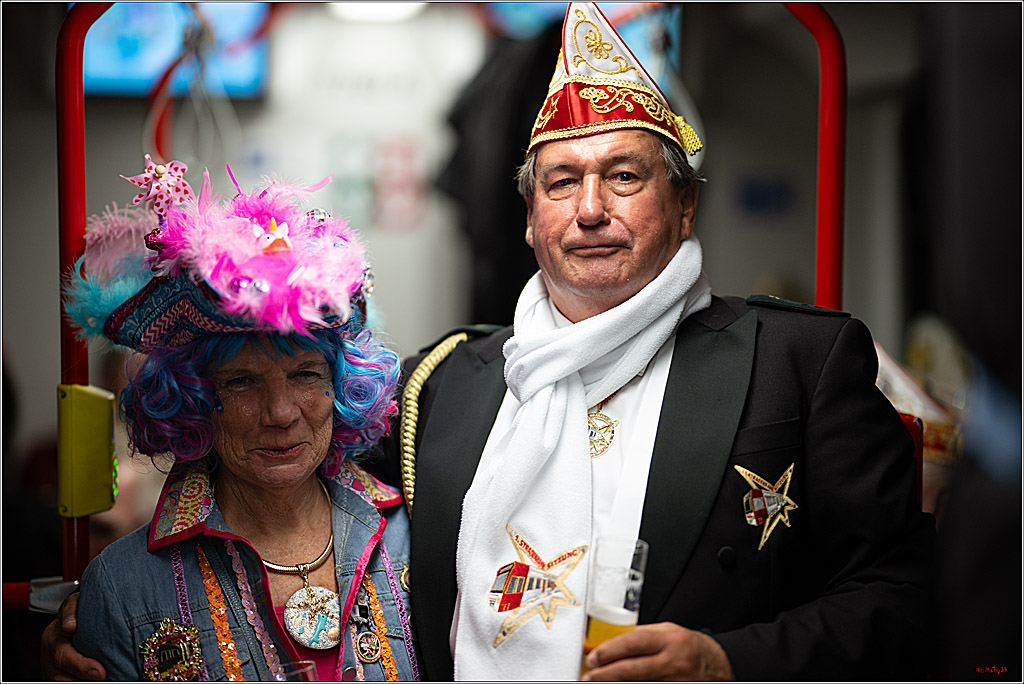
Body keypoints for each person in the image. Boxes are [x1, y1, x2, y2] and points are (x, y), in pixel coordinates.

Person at [44, 3, 935, 680]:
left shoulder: (799, 360)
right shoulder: (444, 380)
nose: (589, 208)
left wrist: (731, 660)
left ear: (686, 204)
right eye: (561, 181)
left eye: (624, 176)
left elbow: (910, 598)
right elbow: (279, 458)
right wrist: (109, 605)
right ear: (528, 216)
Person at [47, 155, 419, 681]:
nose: (281, 413)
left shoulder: (414, 538)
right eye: (242, 381)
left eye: (306, 375)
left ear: (341, 387)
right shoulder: (123, 587)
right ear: (194, 399)